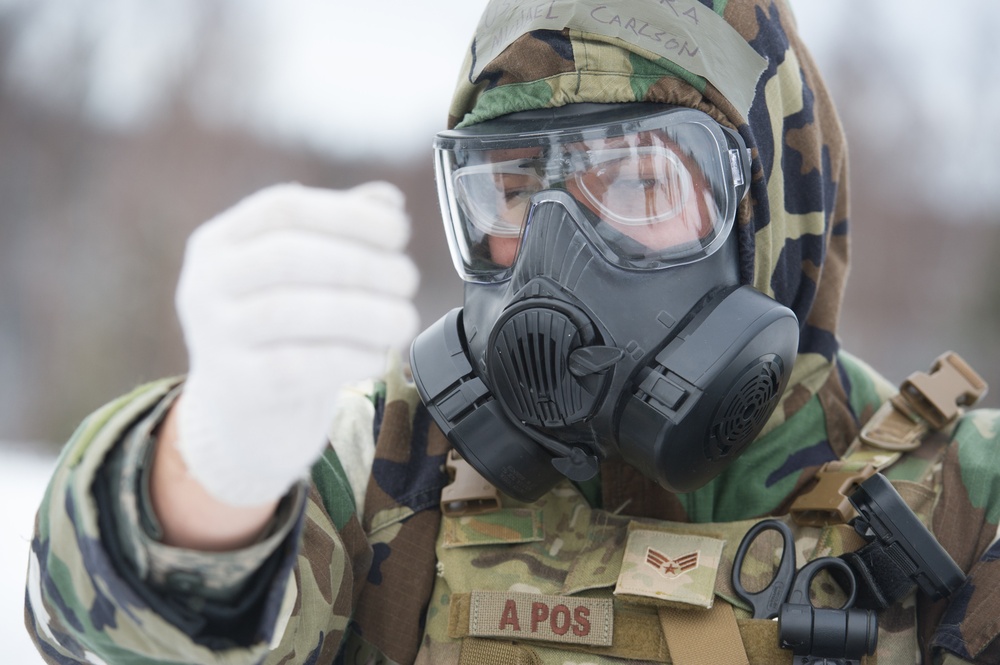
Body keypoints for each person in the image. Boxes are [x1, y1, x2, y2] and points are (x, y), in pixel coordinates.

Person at [24, 1, 1000, 663]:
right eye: (512, 186)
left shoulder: (956, 503)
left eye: (637, 177)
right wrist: (208, 471)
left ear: (763, 211)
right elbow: (101, 628)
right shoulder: (385, 473)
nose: (554, 250)